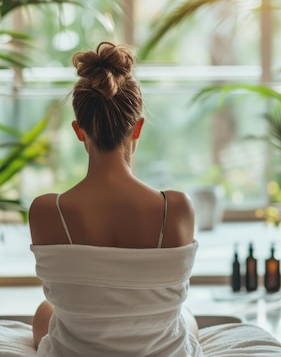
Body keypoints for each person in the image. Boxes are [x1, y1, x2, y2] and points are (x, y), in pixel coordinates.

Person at [29, 41, 202, 356]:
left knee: (45, 311)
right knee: (186, 317)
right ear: (137, 128)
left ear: (79, 131)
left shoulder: (46, 210)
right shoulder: (176, 208)